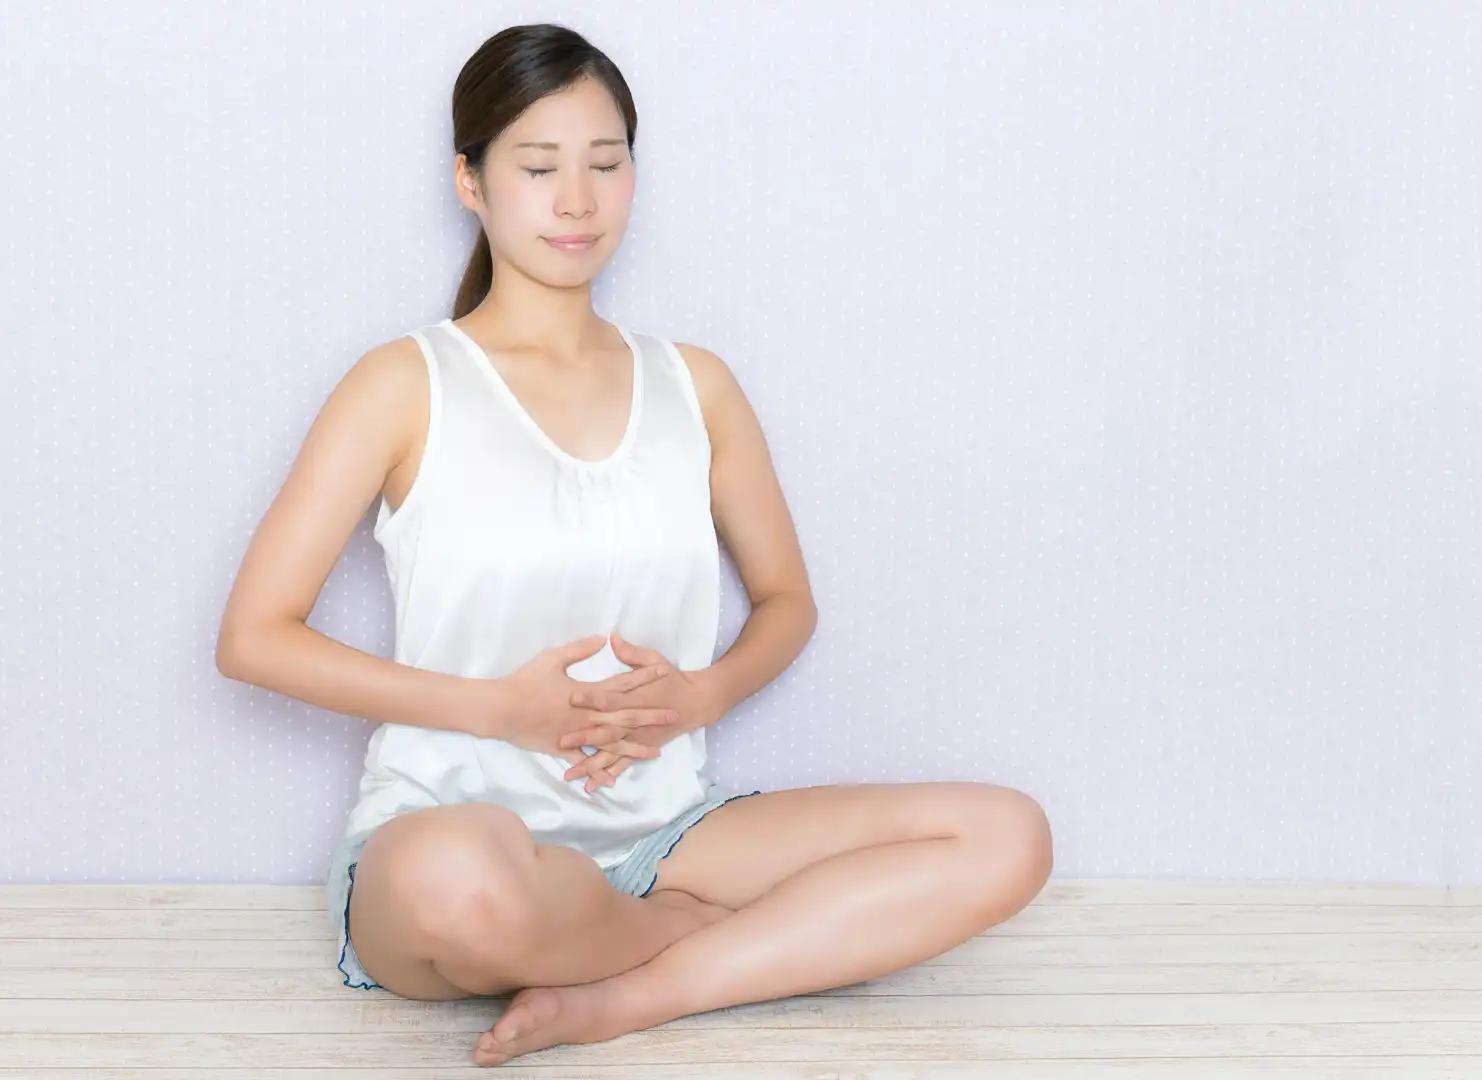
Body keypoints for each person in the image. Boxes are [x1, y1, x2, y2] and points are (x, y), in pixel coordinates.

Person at [215, 22, 1054, 1069]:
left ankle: (626, 995)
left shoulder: (695, 386)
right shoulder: (402, 383)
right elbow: (254, 637)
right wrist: (498, 711)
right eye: (538, 166)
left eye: (606, 165)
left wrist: (705, 695)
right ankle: (710, 949)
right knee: (460, 879)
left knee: (1006, 834)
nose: (577, 201)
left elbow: (788, 599)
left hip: (665, 833)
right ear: (470, 182)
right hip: (445, 825)